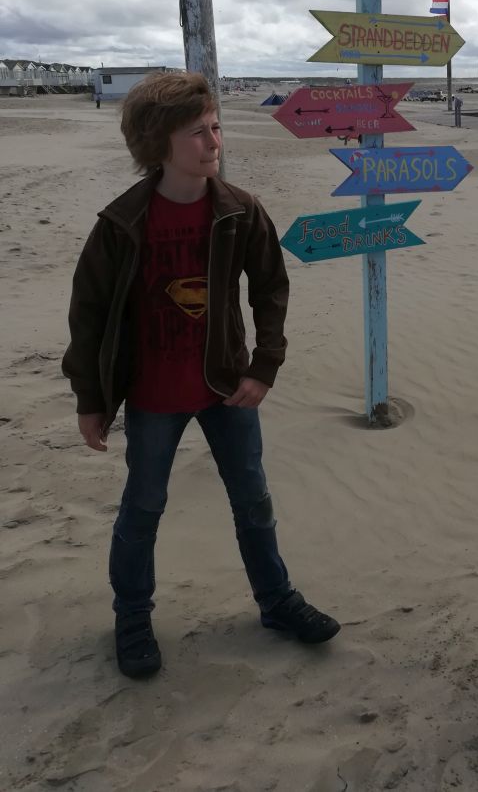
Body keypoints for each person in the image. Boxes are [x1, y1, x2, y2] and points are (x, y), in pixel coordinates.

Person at [62, 70, 339, 679]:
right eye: (198, 132)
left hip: (226, 387)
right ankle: (132, 617)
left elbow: (271, 289)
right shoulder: (120, 224)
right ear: (158, 143)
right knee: (144, 506)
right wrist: (91, 400)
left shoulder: (239, 211)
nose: (214, 142)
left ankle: (276, 601)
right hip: (153, 396)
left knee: (254, 500)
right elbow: (87, 317)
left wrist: (264, 366)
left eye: (215, 127)